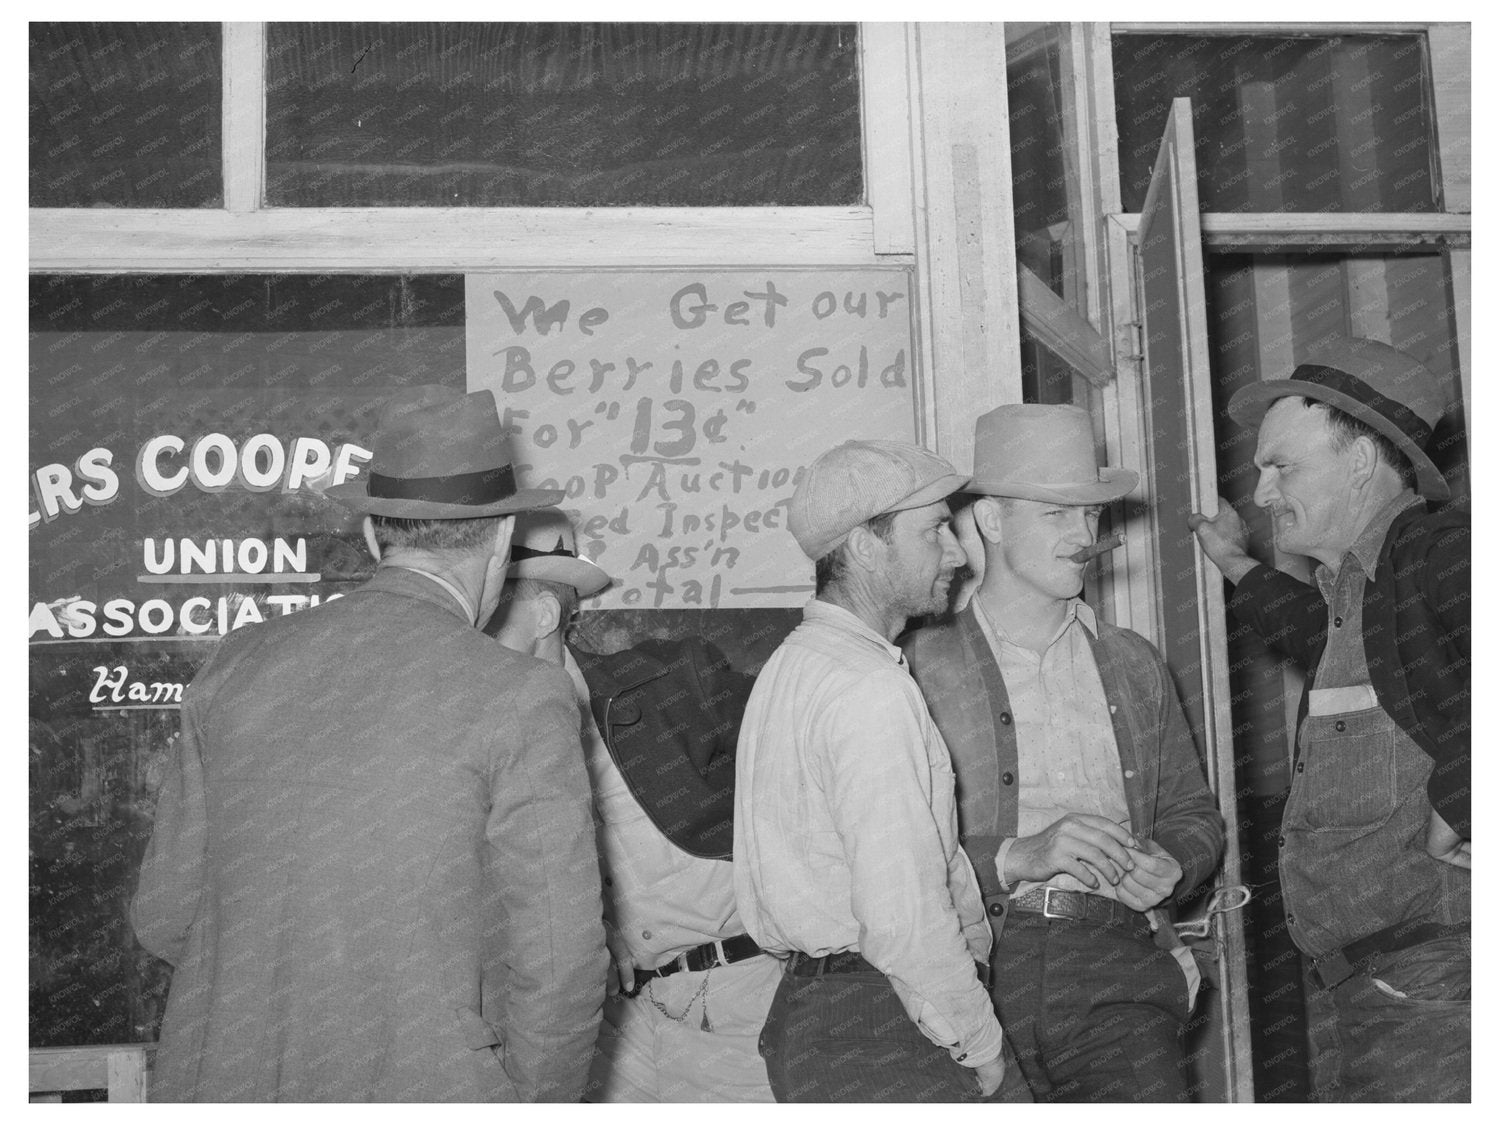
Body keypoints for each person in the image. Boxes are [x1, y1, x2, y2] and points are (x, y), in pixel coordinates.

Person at [130, 386, 608, 1102]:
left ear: (372, 536)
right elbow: (560, 962)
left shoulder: (237, 662)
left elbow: (164, 914)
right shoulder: (520, 694)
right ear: (505, 539)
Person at [903, 404, 1224, 1102]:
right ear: (990, 520)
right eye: (1055, 514)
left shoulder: (1135, 664)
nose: (1082, 535)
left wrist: (1175, 857)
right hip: (974, 972)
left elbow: (1197, 812)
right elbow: (886, 852)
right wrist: (1017, 853)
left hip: (1118, 972)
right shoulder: (919, 669)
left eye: (1091, 516)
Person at [1188, 336, 1469, 1102]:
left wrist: (1462, 810)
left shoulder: (1444, 551)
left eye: (1283, 466)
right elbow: (1325, 641)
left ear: (1360, 462)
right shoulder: (1363, 595)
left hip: (1437, 980)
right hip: (1375, 983)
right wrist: (1235, 563)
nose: (1264, 489)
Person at [734, 439, 1019, 1103]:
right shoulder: (869, 688)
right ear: (865, 545)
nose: (956, 552)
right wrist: (981, 1041)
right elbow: (904, 915)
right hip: (886, 1024)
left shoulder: (790, 667)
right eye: (934, 530)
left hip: (818, 1015)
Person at [484, 509, 777, 1102]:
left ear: (543, 615)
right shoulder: (481, 740)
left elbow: (820, 768)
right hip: (614, 1035)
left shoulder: (670, 681)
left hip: (741, 1008)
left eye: (487, 619)